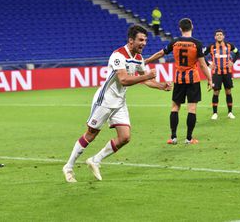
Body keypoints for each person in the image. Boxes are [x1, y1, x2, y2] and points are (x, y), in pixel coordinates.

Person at [62, 25, 171, 183]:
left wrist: (161, 86)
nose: (144, 43)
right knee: (91, 134)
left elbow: (146, 80)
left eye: (145, 40)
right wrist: (146, 75)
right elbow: (124, 79)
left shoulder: (139, 59)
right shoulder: (118, 55)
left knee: (125, 137)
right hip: (105, 100)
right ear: (131, 41)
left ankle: (95, 160)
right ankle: (69, 166)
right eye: (141, 40)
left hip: (119, 102)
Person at [145, 18, 212, 145]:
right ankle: (188, 138)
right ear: (192, 27)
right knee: (191, 108)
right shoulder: (197, 43)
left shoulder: (174, 42)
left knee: (175, 107)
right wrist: (210, 79)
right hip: (193, 80)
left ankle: (173, 137)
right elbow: (203, 65)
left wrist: (147, 60)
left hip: (179, 79)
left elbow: (161, 53)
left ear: (180, 28)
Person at [204, 29, 240, 120]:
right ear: (215, 37)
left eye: (221, 34)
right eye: (217, 35)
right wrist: (208, 65)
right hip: (216, 73)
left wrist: (233, 62)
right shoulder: (211, 47)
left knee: (228, 92)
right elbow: (201, 55)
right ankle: (215, 113)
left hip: (227, 72)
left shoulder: (229, 45)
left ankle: (230, 112)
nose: (219, 36)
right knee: (216, 92)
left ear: (223, 36)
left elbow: (237, 53)